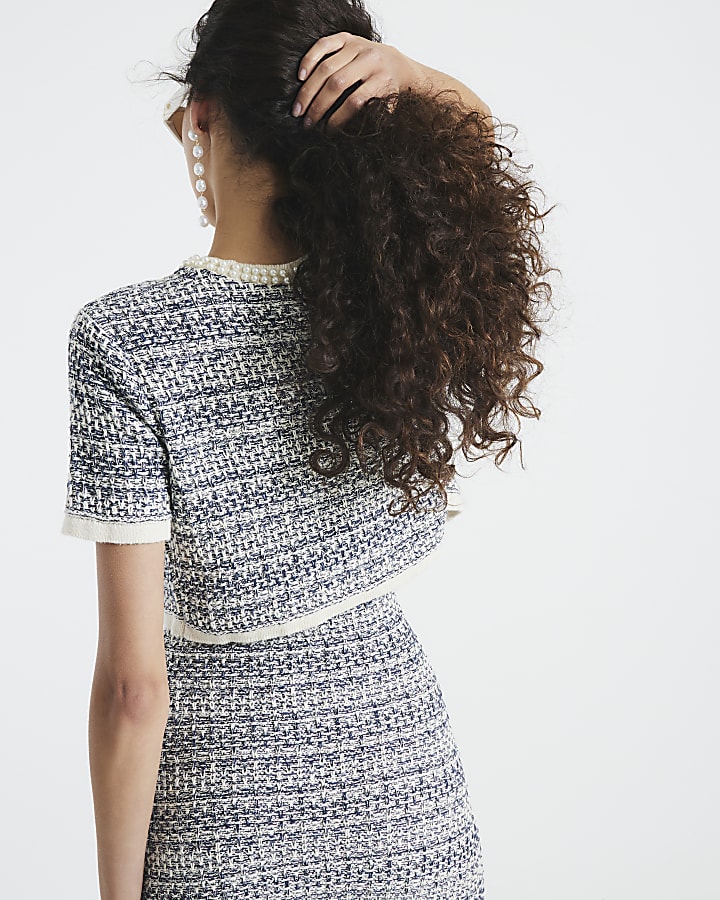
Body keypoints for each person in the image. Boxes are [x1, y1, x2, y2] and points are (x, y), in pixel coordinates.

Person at [60, 1, 554, 897]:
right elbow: (475, 152)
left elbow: (134, 690)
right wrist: (409, 79)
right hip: (409, 804)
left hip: (224, 818)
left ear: (200, 115)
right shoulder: (389, 297)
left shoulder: (126, 341)